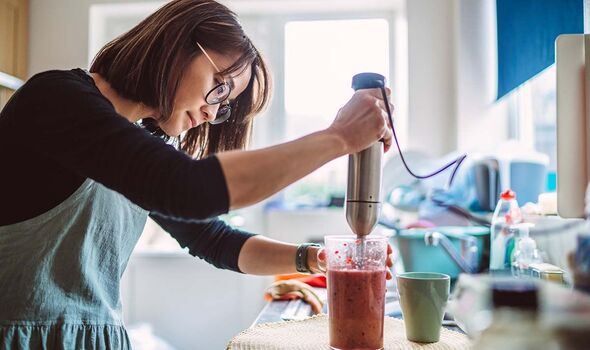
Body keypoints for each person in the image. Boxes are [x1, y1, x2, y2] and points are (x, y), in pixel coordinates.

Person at [0, 0, 394, 348]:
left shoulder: (138, 145)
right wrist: (338, 138)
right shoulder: (56, 98)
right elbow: (191, 188)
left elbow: (213, 239)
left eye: (223, 106)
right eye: (220, 87)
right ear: (177, 46)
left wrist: (316, 259)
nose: (211, 112)